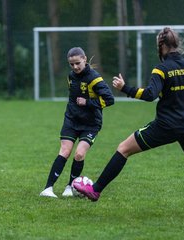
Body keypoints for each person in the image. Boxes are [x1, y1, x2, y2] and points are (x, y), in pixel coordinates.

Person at [74, 27, 184, 215]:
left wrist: (125, 88)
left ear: (162, 46)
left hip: (165, 126)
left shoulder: (161, 69)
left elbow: (150, 94)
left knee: (123, 149)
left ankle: (96, 190)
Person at [40, 47, 115, 198]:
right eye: (71, 64)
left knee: (79, 154)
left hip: (91, 123)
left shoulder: (95, 79)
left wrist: (87, 102)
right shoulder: (71, 76)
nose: (75, 67)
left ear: (85, 59)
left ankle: (70, 187)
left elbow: (109, 99)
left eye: (77, 63)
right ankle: (48, 189)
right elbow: (73, 97)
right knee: (65, 151)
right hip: (72, 119)